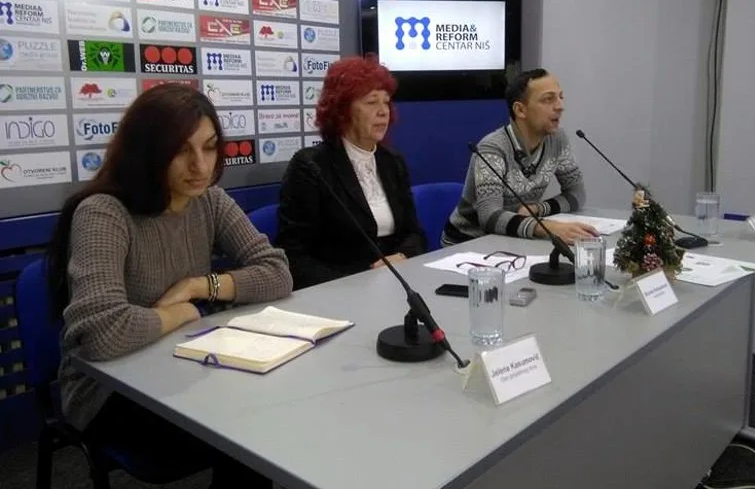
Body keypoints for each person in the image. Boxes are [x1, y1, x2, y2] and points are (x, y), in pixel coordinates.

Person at [47, 84, 291, 487]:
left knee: (265, 412)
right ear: (146, 152)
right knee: (248, 425)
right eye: (181, 151)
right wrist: (185, 311)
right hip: (108, 393)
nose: (200, 166)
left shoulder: (209, 200)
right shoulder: (103, 213)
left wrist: (198, 286)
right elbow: (103, 334)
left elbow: (277, 272)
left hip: (184, 363)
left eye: (209, 147)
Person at [276, 55, 425, 290]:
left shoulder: (392, 162)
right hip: (339, 290)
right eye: (371, 102)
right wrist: (357, 283)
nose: (383, 111)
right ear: (343, 110)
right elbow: (294, 256)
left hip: (396, 285)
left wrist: (403, 256)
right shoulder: (311, 167)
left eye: (386, 102)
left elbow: (414, 234)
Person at [443, 68, 597, 246]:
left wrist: (538, 209)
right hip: (468, 242)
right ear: (520, 110)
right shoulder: (492, 148)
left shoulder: (557, 140)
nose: (560, 106)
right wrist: (548, 227)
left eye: (560, 97)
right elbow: (490, 217)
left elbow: (577, 194)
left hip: (512, 238)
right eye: (548, 99)